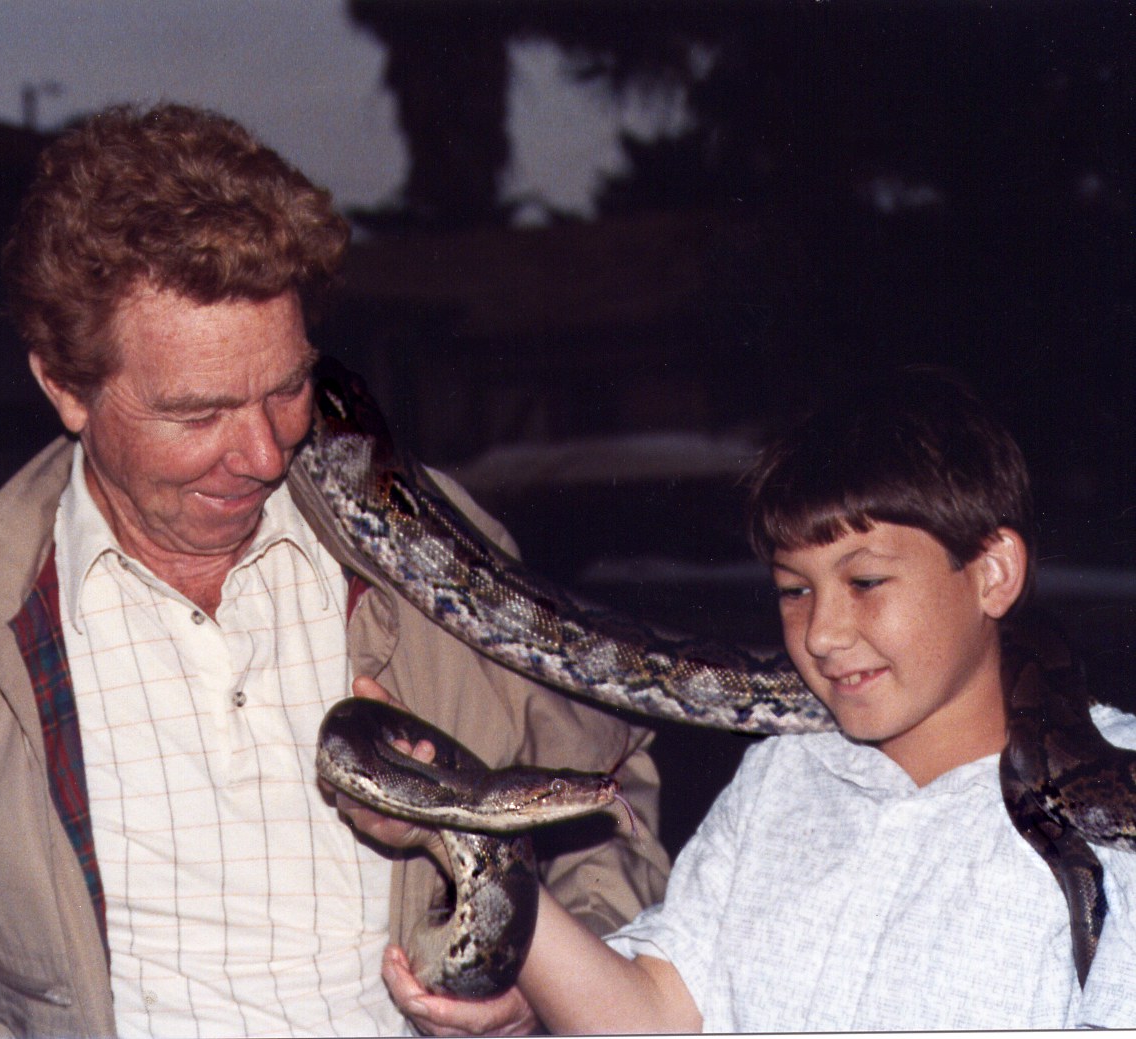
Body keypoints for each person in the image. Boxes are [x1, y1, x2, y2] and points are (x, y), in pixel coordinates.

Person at [0, 102, 670, 1038]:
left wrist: (551, 986)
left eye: (288, 387)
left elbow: (609, 808)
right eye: (196, 412)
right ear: (63, 384)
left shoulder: (437, 554)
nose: (260, 452)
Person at [363, 367, 1136, 1032]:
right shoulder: (782, 777)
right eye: (793, 590)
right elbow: (657, 1016)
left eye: (866, 581)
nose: (823, 633)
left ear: (993, 572)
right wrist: (456, 820)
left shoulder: (1117, 818)